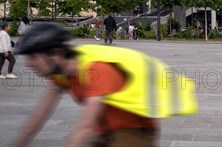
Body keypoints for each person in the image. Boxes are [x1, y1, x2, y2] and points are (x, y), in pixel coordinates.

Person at [11, 22, 198, 147]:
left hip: (135, 133)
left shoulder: (95, 70)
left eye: (34, 56)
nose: (29, 63)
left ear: (56, 53)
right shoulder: (60, 74)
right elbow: (40, 113)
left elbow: (84, 127)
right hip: (105, 132)